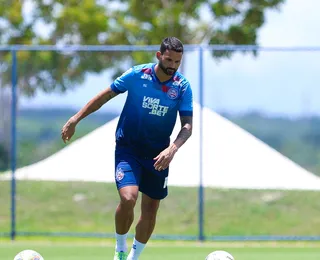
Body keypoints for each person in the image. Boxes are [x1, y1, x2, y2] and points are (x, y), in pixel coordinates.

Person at [61, 37, 193, 260]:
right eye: (169, 60)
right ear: (159, 56)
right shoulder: (136, 75)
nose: (172, 66)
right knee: (129, 198)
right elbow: (105, 96)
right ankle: (120, 249)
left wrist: (173, 149)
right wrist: (76, 119)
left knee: (150, 210)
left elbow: (187, 126)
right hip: (128, 149)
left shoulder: (182, 86)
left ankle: (132, 258)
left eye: (177, 62)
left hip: (158, 155)